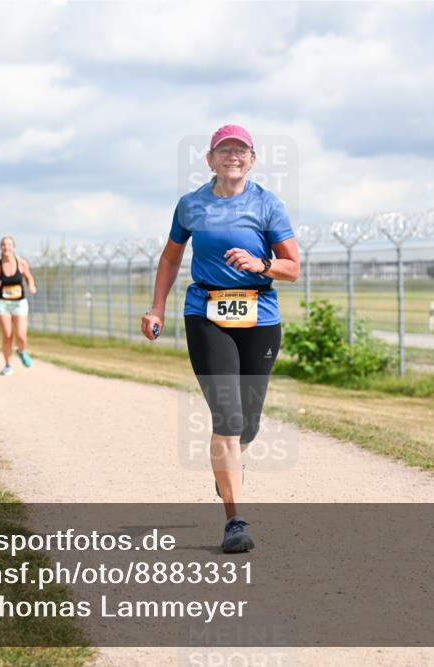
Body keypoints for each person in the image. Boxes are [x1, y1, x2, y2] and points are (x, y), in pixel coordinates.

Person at [141, 125, 299, 554]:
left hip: (259, 315)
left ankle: (227, 465)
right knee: (226, 420)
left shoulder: (268, 204)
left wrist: (259, 263)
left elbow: (293, 267)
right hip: (206, 314)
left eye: (241, 150)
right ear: (210, 159)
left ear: (252, 159)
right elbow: (171, 257)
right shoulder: (191, 205)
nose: (233, 156)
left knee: (248, 422)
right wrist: (157, 307)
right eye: (224, 150)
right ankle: (235, 520)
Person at [0, 236, 38, 376]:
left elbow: (29, 277)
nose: (6, 247)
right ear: (0, 248)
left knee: (21, 335)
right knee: (7, 335)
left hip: (19, 303)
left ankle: (21, 351)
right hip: (2, 303)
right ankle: (8, 365)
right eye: (3, 245)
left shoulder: (21, 263)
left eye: (9, 245)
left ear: (13, 247)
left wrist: (32, 286)